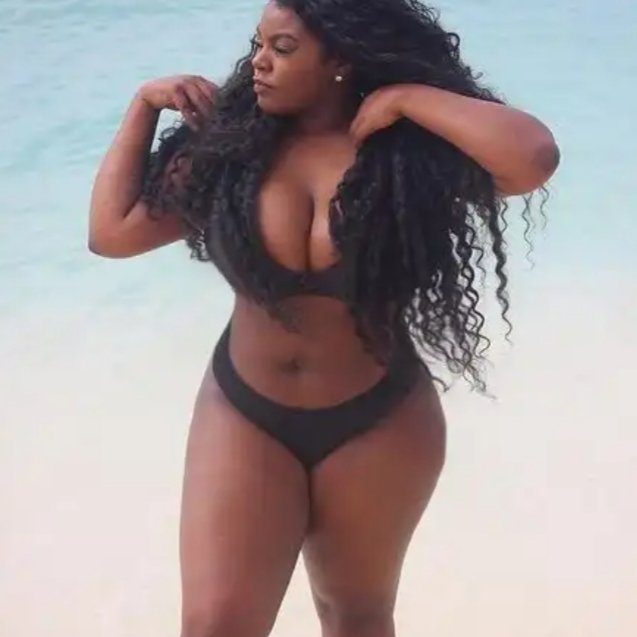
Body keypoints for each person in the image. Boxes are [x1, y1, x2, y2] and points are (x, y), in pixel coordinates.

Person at [89, 0, 559, 635]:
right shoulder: (231, 149)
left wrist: (407, 99)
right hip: (245, 411)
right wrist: (143, 106)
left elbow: (533, 157)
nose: (258, 62)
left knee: (355, 618)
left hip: (379, 418)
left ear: (340, 59)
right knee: (214, 625)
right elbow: (112, 234)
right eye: (258, 44)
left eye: (282, 49)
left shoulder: (406, 155)